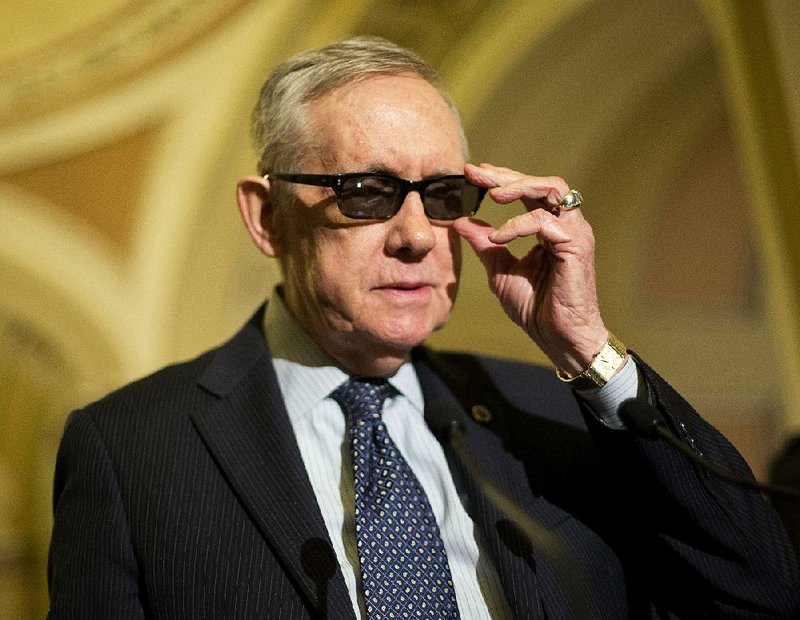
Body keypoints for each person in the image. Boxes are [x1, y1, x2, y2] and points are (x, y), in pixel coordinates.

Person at [47, 36, 799, 619]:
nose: (416, 235)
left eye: (442, 195)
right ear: (267, 214)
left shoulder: (544, 407)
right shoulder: (132, 449)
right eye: (368, 193)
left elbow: (762, 591)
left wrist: (588, 348)